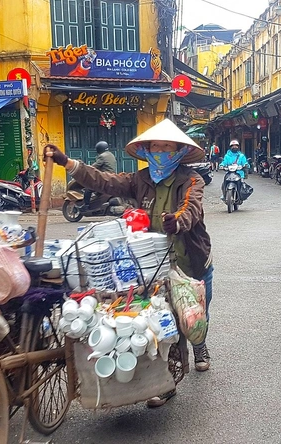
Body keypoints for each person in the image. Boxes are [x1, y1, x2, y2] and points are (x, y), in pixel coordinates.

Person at [44, 119, 213, 407]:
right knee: (164, 321)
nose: (160, 151)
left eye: (166, 147)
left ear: (179, 151)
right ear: (147, 151)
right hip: (153, 264)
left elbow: (192, 208)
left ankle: (200, 345)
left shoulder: (192, 180)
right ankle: (167, 381)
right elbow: (104, 181)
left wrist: (178, 221)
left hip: (190, 259)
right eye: (155, 147)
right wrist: (68, 163)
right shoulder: (140, 180)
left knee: (193, 315)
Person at [81, 141, 117, 208]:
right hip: (111, 177)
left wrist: (86, 168)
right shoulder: (111, 155)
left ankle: (86, 206)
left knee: (88, 189)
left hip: (104, 178)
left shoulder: (102, 156)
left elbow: (95, 166)